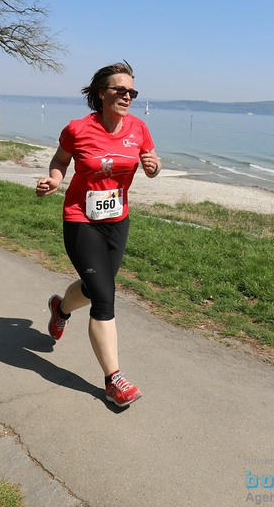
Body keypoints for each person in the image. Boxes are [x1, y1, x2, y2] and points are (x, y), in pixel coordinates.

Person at [36, 62, 161, 407]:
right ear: (100, 93)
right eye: (120, 89)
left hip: (118, 220)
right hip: (81, 220)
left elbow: (151, 160)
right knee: (105, 296)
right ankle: (114, 380)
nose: (127, 96)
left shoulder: (139, 128)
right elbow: (60, 160)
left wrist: (154, 167)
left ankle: (60, 309)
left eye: (132, 91)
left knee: (94, 288)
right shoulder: (78, 129)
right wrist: (55, 181)